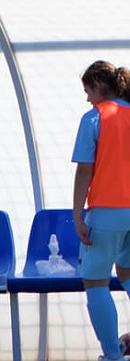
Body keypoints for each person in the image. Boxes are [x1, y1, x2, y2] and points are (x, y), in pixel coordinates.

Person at [72, 60, 130, 361]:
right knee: (127, 272)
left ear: (99, 84)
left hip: (108, 210)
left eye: (88, 90)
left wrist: (77, 215)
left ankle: (112, 355)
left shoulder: (95, 118)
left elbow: (85, 171)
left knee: (95, 281)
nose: (87, 98)